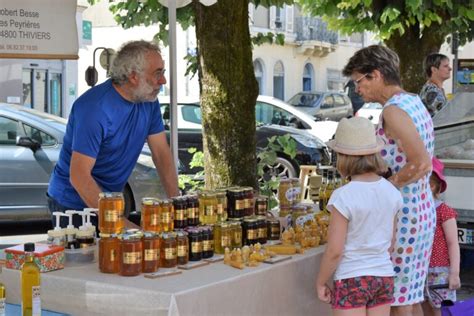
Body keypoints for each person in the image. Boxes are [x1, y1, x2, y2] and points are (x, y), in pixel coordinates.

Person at [342, 45, 435, 316]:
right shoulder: (413, 101)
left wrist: (383, 188)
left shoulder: (394, 111)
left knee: (396, 301)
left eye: (358, 82)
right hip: (419, 211)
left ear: (376, 75)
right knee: (411, 295)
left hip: (403, 217)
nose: (357, 90)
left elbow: (420, 163)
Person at [47, 40, 179, 228]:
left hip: (110, 198)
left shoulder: (148, 101)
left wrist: (176, 204)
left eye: (163, 72)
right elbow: (79, 176)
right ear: (133, 76)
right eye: (157, 73)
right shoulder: (94, 109)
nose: (163, 80)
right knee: (89, 256)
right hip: (73, 204)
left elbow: (161, 153)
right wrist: (121, 224)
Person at [316, 117, 403, 316]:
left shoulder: (343, 196)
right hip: (383, 275)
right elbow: (391, 243)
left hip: (351, 277)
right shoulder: (392, 192)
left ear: (343, 157)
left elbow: (335, 251)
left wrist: (321, 282)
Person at [422, 157, 461, 316]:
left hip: (441, 273)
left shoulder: (443, 211)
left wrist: (454, 273)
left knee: (439, 311)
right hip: (421, 270)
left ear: (431, 186)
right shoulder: (418, 211)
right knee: (423, 309)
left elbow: (453, 243)